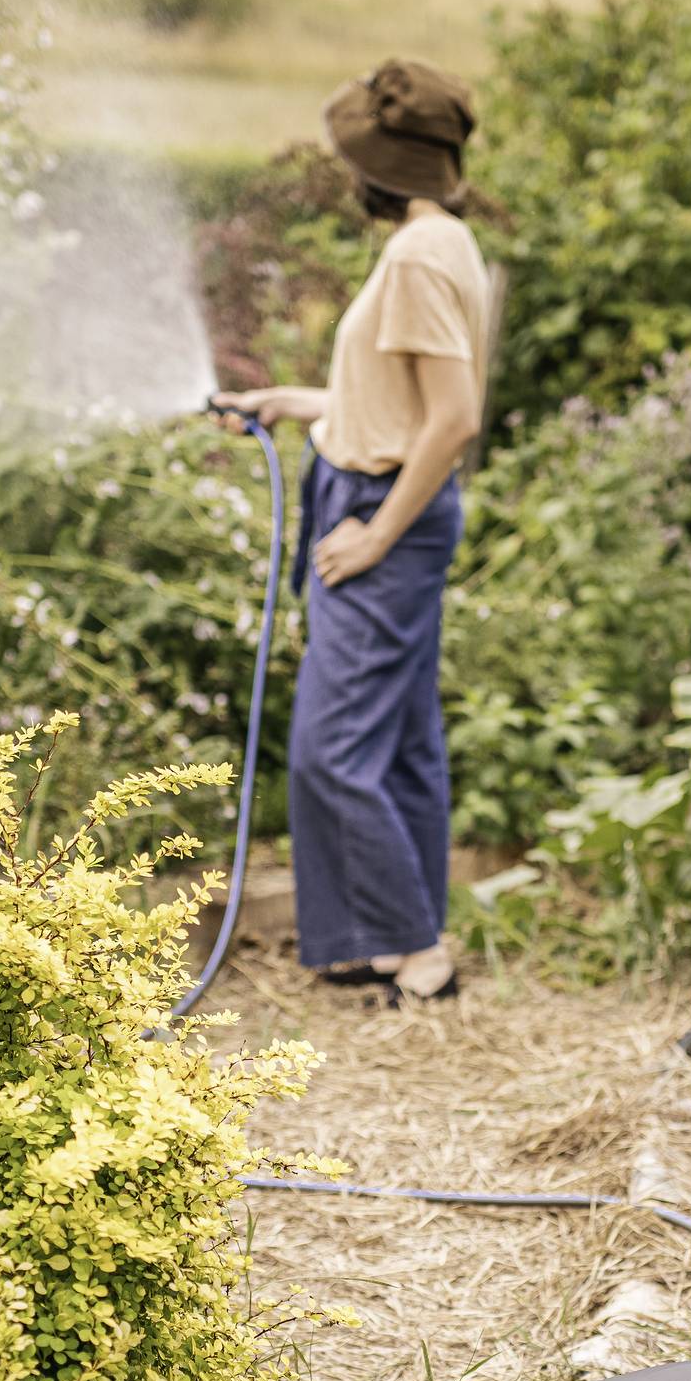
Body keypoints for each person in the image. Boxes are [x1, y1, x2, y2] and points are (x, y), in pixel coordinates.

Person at [214, 59, 491, 1006]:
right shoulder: (443, 240)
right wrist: (299, 402)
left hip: (385, 515)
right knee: (398, 740)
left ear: (387, 166)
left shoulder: (416, 259)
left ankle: (413, 947)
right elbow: (403, 398)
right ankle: (392, 942)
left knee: (333, 746)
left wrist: (373, 537)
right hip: (380, 495)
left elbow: (452, 421)